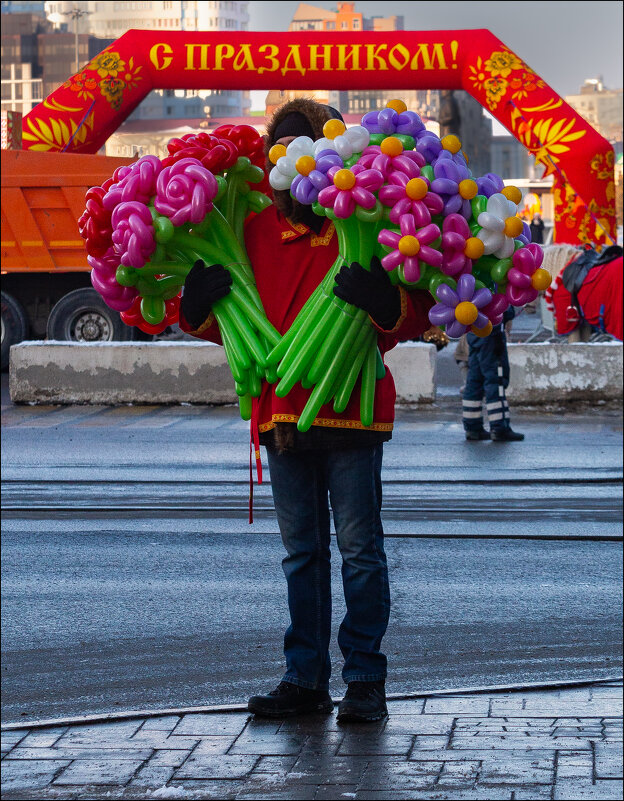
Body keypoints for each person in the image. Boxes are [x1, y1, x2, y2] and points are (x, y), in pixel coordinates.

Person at [178, 99, 434, 723]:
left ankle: (366, 679)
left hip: (352, 410)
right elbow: (230, 326)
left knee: (359, 549)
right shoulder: (252, 228)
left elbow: (415, 312)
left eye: (303, 146)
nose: (289, 160)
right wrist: (194, 310)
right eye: (279, 148)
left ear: (329, 155)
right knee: (301, 553)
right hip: (282, 415)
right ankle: (305, 678)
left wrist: (386, 301)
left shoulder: (366, 222)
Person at [462, 306, 525, 442]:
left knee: (474, 381)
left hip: (474, 334)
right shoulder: (493, 287)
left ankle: (472, 428)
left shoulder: (473, 287)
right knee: (496, 381)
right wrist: (510, 310)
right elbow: (502, 310)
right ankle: (500, 428)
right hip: (492, 336)